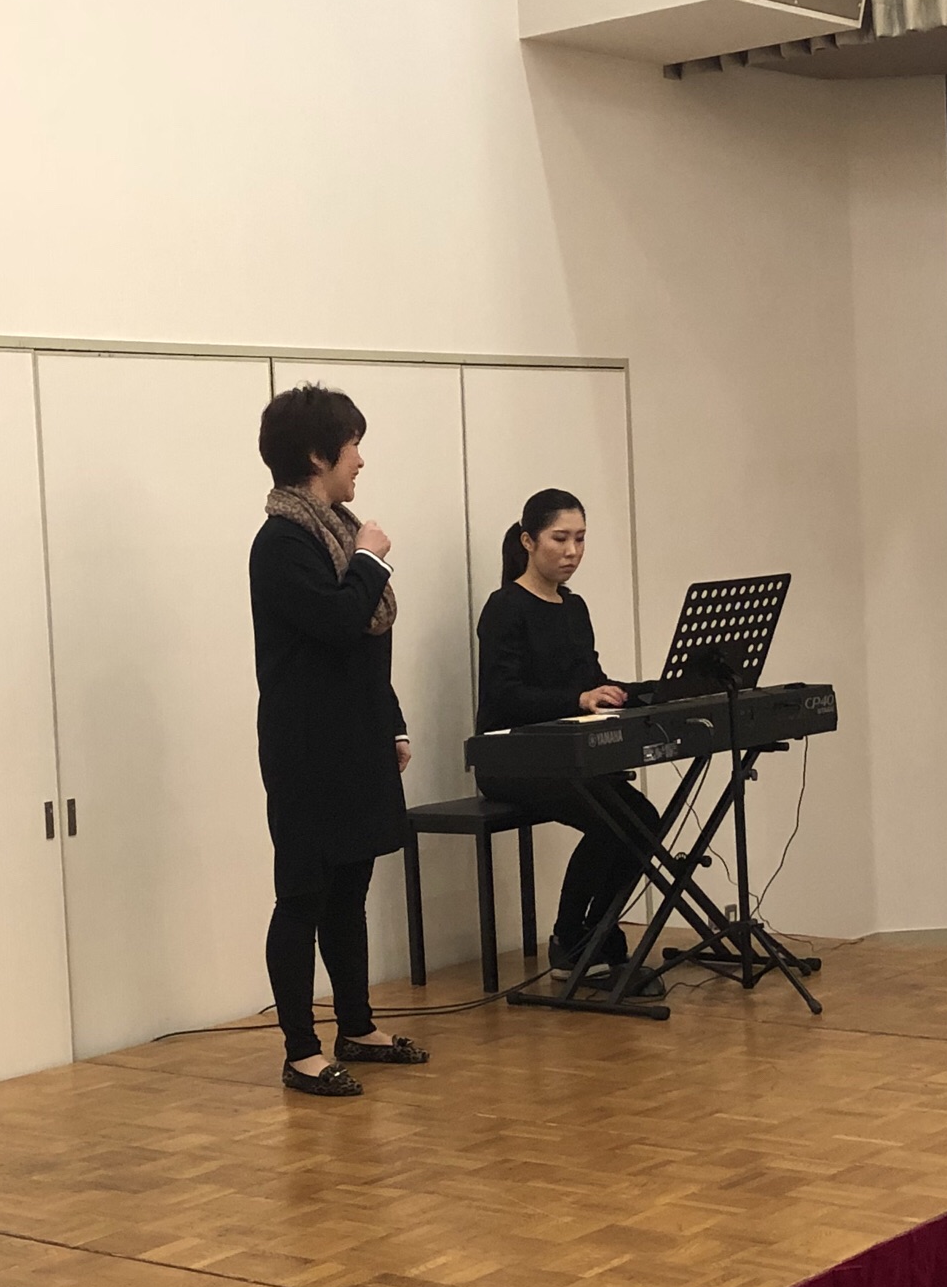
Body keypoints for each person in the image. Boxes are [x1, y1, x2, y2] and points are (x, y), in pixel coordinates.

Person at [250, 384, 429, 1098]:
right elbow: (335, 621)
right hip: (306, 749)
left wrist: (391, 721)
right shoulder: (282, 542)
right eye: (353, 446)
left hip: (356, 738)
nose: (361, 460)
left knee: (350, 890)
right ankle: (301, 1050)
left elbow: (363, 649)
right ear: (317, 455)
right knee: (303, 895)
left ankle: (357, 1025)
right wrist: (371, 561)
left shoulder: (335, 532)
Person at [472, 489, 660, 993]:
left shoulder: (574, 608)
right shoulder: (504, 607)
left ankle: (595, 933)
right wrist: (578, 698)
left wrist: (636, 693)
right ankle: (569, 939)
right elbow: (506, 696)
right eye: (560, 538)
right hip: (511, 761)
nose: (572, 551)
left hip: (564, 757)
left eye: (580, 539)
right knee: (609, 821)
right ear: (528, 541)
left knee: (643, 820)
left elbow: (589, 681)